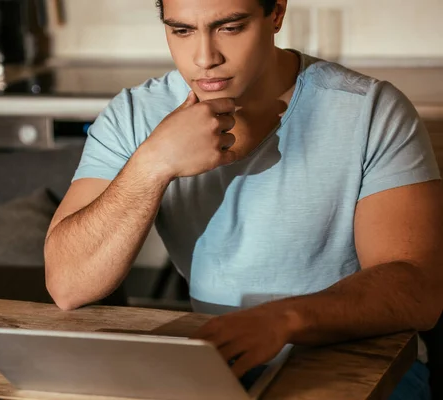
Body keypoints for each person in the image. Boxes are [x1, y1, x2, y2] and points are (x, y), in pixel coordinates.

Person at [44, 0, 442, 398]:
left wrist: (285, 319)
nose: (205, 58)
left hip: (365, 361)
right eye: (182, 31)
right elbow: (68, 285)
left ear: (276, 13)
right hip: (218, 363)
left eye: (230, 28)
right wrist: (153, 163)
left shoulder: (370, 110)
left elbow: (418, 287)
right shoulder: (134, 116)